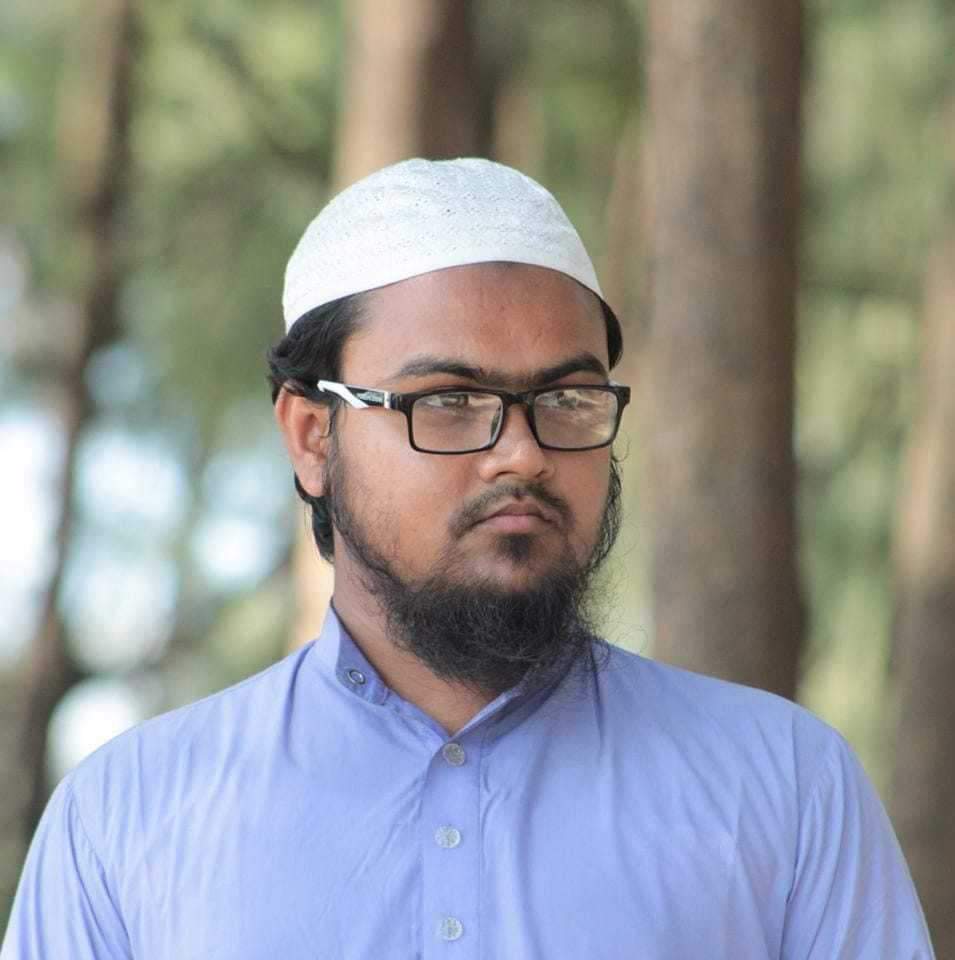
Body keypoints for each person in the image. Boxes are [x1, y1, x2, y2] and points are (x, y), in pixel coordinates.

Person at [2, 158, 934, 959]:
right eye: (447, 401)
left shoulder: (782, 787)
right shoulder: (127, 819)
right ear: (313, 436)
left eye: (567, 400)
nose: (521, 454)